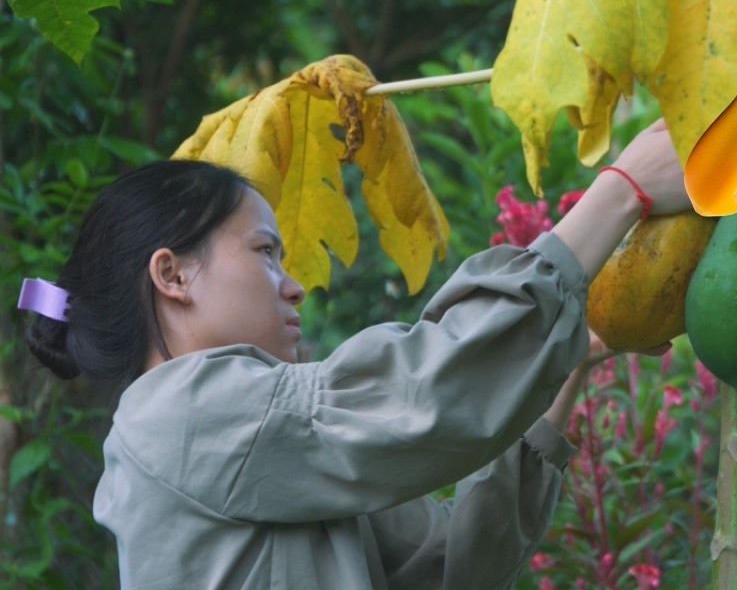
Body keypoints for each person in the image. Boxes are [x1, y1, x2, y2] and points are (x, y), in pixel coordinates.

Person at [18, 120, 690, 590]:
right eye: (264, 251)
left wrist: (567, 360)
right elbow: (421, 390)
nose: (293, 285)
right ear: (172, 275)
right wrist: (619, 192)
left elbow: (452, 569)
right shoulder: (181, 414)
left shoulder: (263, 448)